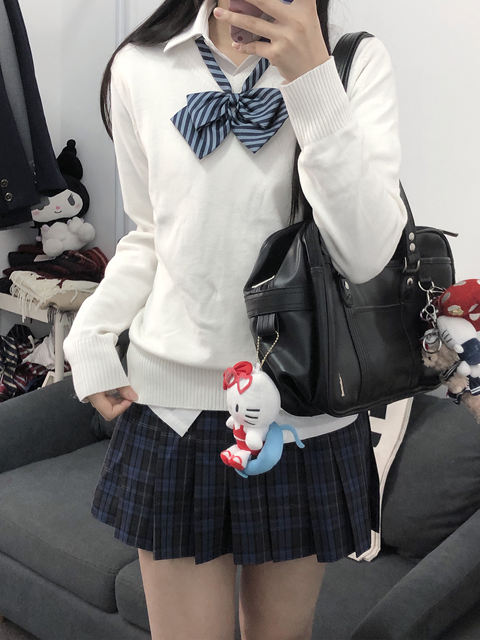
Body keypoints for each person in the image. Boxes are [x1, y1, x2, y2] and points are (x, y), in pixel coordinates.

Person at [63, 0, 408, 638]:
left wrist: (312, 79)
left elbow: (365, 254)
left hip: (304, 412)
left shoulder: (354, 62)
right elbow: (150, 234)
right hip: (171, 410)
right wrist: (90, 335)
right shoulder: (140, 65)